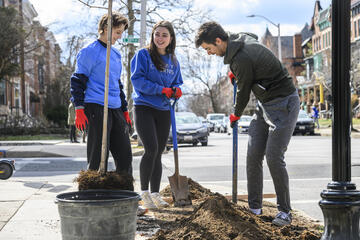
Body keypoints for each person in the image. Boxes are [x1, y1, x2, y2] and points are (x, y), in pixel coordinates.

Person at [195, 21, 300, 226]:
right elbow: (251, 34)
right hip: (264, 104)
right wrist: (242, 72)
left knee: (273, 157)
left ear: (218, 40)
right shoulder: (238, 38)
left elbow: (243, 91)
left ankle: (285, 212)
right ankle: (255, 208)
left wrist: (235, 114)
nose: (209, 53)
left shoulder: (240, 58)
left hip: (284, 102)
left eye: (209, 48)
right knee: (253, 156)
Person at [70, 12, 132, 175]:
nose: (119, 37)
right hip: (96, 105)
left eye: (121, 33)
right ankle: (91, 190)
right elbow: (77, 81)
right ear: (105, 28)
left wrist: (125, 110)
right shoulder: (89, 52)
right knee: (97, 154)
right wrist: (79, 108)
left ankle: (125, 190)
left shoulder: (117, 54)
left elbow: (117, 84)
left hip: (116, 107)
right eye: (118, 32)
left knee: (125, 154)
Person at [131, 20, 183, 209]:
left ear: (171, 38)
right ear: (152, 36)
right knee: (151, 149)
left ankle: (155, 194)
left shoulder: (173, 60)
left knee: (159, 153)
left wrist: (176, 90)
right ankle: (144, 193)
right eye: (157, 34)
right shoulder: (143, 55)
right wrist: (161, 90)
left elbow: (177, 82)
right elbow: (137, 81)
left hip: (164, 110)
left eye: (164, 35)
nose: (160, 38)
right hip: (144, 106)